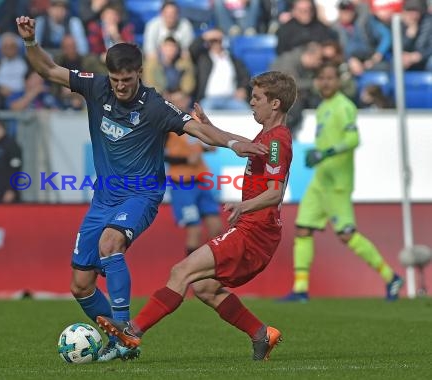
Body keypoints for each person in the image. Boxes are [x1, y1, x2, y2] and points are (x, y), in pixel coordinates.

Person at [16, 15, 269, 362]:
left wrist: (231, 142)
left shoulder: (154, 105)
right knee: (81, 284)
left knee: (110, 242)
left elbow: (198, 130)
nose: (121, 86)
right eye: (116, 80)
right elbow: (48, 70)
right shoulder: (95, 86)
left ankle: (123, 334)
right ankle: (118, 338)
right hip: (104, 198)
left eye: (127, 79)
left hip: (141, 194)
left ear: (139, 73)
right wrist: (30, 41)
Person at [96, 71, 297, 361]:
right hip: (255, 228)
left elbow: (275, 193)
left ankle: (133, 332)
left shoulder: (278, 141)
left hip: (255, 230)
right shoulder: (269, 137)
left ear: (275, 103)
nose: (251, 103)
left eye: (256, 98)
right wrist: (211, 127)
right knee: (205, 287)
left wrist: (245, 206)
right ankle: (262, 334)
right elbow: (245, 149)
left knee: (181, 271)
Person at [279, 63, 404, 302]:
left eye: (330, 78)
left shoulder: (344, 106)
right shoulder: (324, 106)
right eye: (321, 78)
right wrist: (316, 153)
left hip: (337, 184)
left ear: (338, 81)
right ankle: (300, 290)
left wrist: (326, 153)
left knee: (347, 235)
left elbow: (353, 138)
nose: (325, 82)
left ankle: (391, 277)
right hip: (320, 182)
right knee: (303, 229)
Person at [165, 132, 223, 256]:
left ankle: (211, 265)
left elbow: (193, 146)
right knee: (195, 231)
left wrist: (207, 149)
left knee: (216, 227)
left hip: (200, 181)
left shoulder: (194, 119)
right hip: (182, 185)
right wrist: (185, 160)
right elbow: (158, 154)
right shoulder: (167, 124)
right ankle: (192, 270)